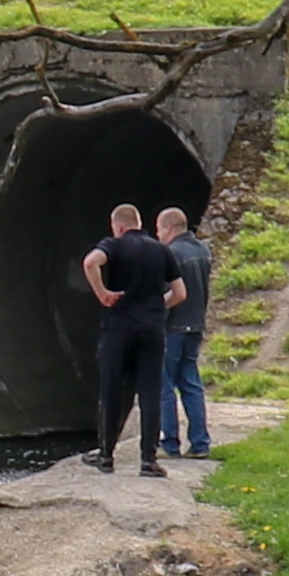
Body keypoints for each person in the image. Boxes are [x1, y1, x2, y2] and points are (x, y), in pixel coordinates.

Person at [82, 201, 172, 473]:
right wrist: (156, 305)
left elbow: (90, 262)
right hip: (151, 330)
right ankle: (148, 460)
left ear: (118, 225)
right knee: (150, 394)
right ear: (139, 223)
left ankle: (106, 456)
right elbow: (180, 292)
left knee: (111, 392)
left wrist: (102, 292)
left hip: (118, 329)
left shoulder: (113, 244)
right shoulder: (161, 250)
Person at [153, 201, 219, 463]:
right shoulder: (203, 250)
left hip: (173, 328)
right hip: (196, 325)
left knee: (164, 385)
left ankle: (169, 442)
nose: (157, 235)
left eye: (159, 229)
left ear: (168, 228)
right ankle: (200, 442)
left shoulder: (170, 254)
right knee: (191, 384)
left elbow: (166, 292)